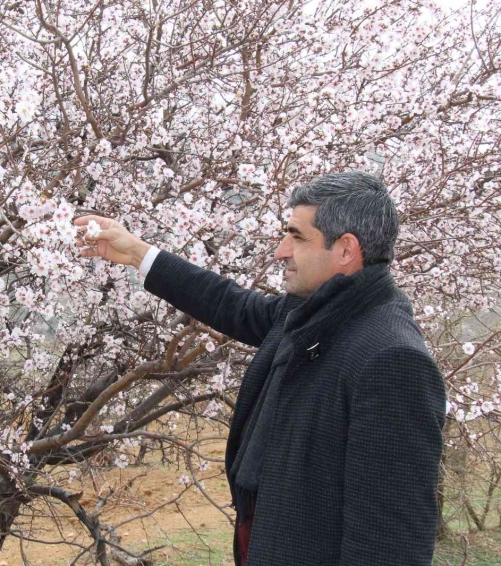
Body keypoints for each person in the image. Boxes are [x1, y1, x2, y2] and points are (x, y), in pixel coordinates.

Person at [73, 171, 446, 566]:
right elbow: (232, 305)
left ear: (346, 249)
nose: (280, 251)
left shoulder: (391, 358)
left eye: (298, 237)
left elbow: (391, 545)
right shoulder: (317, 310)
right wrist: (136, 253)